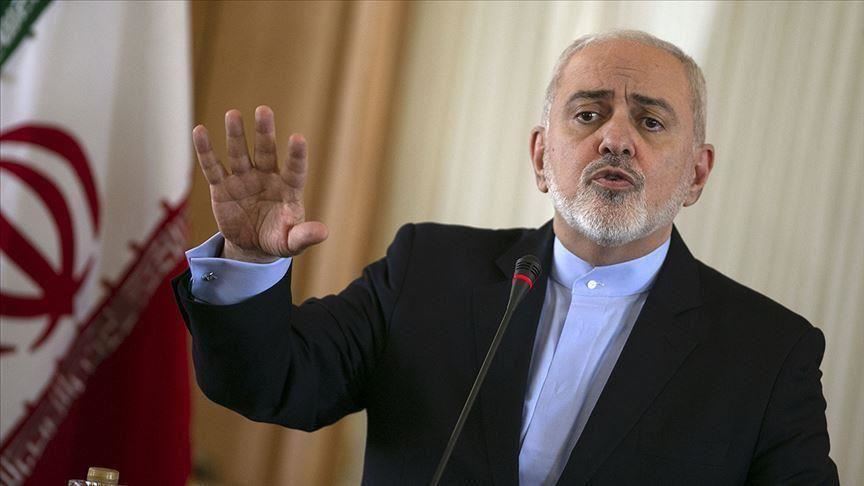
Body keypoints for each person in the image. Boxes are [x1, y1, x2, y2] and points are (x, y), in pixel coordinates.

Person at [173, 30, 838, 485]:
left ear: (696, 174)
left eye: (650, 121)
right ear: (541, 156)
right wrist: (248, 259)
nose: (616, 139)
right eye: (588, 115)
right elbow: (269, 381)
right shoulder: (428, 269)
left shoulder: (768, 354)